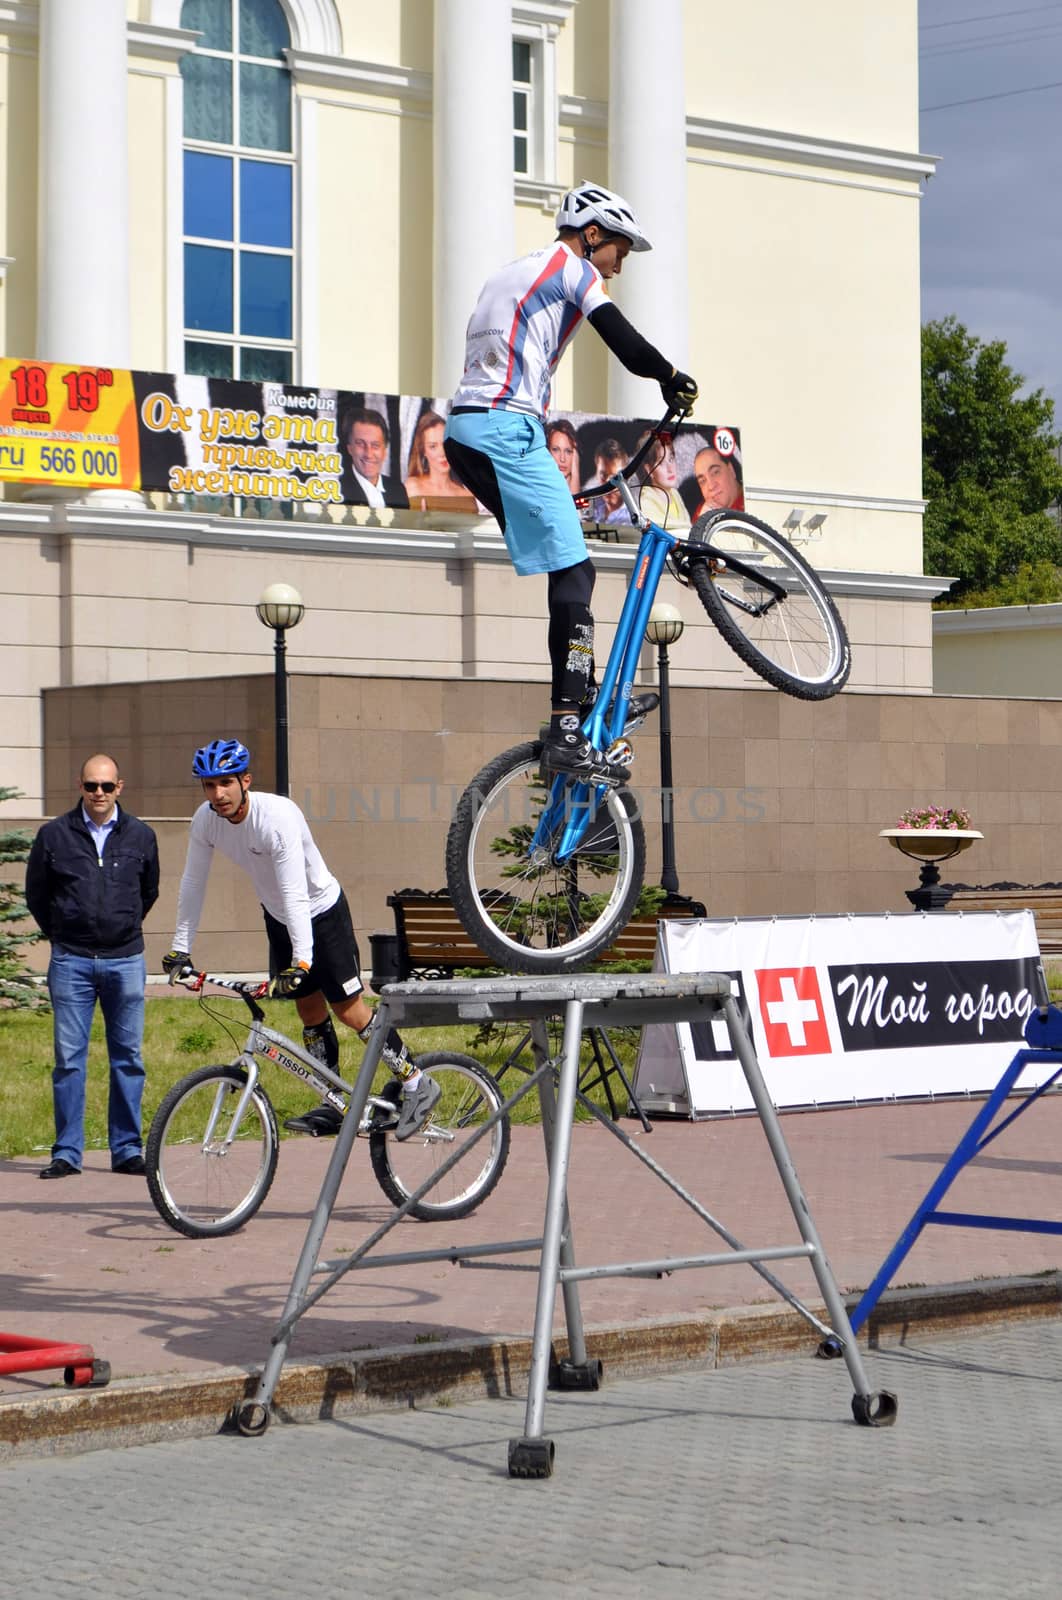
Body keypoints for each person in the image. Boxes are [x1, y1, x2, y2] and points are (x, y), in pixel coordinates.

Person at [443, 180, 698, 785]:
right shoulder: (573, 268)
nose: (619, 265)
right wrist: (671, 377)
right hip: (509, 429)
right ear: (591, 234)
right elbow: (625, 342)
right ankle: (567, 722)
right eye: (619, 250)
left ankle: (577, 699)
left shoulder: (507, 273)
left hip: (464, 436)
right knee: (577, 570)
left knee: (565, 560)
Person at [162, 739, 439, 1141]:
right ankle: (334, 1103)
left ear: (245, 781)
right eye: (208, 785)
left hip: (321, 913)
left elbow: (295, 891)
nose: (216, 794)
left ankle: (416, 1081)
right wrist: (180, 948)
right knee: (308, 1011)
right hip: (279, 918)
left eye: (224, 783)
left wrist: (303, 961)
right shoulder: (206, 820)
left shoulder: (277, 817)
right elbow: (193, 883)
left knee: (349, 1010)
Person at [25, 755, 160, 1179]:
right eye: (90, 786)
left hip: (125, 960)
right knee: (68, 1059)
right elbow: (37, 895)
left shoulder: (140, 835)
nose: (98, 794)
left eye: (105, 786)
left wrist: (120, 927)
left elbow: (148, 892)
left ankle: (126, 1150)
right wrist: (65, 932)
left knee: (129, 1059)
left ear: (120, 786)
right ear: (80, 787)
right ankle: (67, 1152)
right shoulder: (53, 836)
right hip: (71, 962)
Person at [341, 405, 410, 510]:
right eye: (360, 444)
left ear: (384, 451)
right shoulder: (337, 491)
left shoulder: (398, 490)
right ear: (350, 448)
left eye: (375, 445)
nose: (368, 454)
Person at [403, 408, 465, 500]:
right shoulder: (413, 488)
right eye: (433, 446)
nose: (442, 453)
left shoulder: (466, 495)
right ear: (423, 451)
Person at [634, 428, 689, 527]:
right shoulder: (646, 502)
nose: (670, 469)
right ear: (649, 469)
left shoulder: (675, 494)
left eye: (671, 459)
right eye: (661, 463)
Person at [692, 431, 744, 517]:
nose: (711, 486)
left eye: (715, 472)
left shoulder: (749, 504)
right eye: (702, 481)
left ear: (731, 470)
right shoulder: (704, 509)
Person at [584, 437, 633, 527]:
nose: (608, 483)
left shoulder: (633, 516)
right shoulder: (589, 506)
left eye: (615, 477)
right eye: (603, 475)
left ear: (627, 478)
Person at [546, 417, 581, 494]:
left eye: (568, 451)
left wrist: (575, 475)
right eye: (556, 450)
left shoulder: (590, 496)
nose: (562, 459)